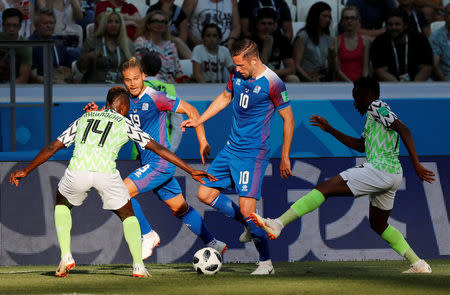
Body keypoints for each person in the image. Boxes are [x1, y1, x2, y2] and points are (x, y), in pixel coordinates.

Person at [9, 86, 216, 277]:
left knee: (62, 202)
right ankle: (138, 265)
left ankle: (66, 256)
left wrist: (26, 170)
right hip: (106, 174)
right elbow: (159, 149)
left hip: (77, 171)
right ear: (123, 110)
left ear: (108, 104)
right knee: (127, 214)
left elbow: (52, 147)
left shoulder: (84, 119)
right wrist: (190, 170)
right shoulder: (125, 122)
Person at [250, 76, 435, 274]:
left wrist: (416, 163)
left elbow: (404, 129)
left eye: (356, 97)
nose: (354, 103)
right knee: (378, 224)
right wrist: (330, 130)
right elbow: (360, 145)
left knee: (324, 188)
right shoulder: (373, 117)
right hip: (392, 174)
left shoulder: (376, 106)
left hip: (380, 170)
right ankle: (419, 264)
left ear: (368, 95)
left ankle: (278, 224)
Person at [84, 57, 227, 261]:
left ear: (144, 76)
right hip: (148, 162)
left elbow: (191, 110)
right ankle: (214, 243)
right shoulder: (124, 99)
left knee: (121, 192)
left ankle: (148, 235)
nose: (132, 83)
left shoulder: (155, 97)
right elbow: (112, 115)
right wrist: (97, 112)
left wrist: (202, 141)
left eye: (136, 78)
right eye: (127, 80)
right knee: (180, 208)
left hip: (159, 163)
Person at [181, 38, 295, 275]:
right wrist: (200, 119)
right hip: (230, 149)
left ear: (254, 60)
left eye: (241, 65)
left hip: (252, 154)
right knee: (205, 192)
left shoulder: (273, 83)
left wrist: (284, 155)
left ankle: (266, 263)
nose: (237, 70)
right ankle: (248, 224)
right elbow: (225, 98)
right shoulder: (236, 75)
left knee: (247, 209)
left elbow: (288, 119)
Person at [371, 8, 433, 81]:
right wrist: (399, 87)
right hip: (389, 85)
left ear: (405, 25)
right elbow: (381, 72)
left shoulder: (420, 39)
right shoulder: (379, 42)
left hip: (416, 84)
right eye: (390, 24)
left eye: (397, 24)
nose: (393, 27)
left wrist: (413, 87)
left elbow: (426, 69)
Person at [75, 9, 135, 83]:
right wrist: (89, 57)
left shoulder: (128, 43)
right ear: (104, 24)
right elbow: (80, 69)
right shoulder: (91, 42)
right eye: (110, 21)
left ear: (121, 25)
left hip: (121, 86)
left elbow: (135, 68)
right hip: (95, 86)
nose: (113, 25)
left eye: (117, 22)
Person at [28, 8, 80, 83]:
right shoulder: (30, 44)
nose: (49, 26)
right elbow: (34, 77)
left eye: (51, 23)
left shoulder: (58, 42)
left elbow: (70, 68)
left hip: (61, 83)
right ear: (36, 26)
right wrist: (55, 82)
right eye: (45, 23)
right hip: (41, 87)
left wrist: (74, 77)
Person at [134, 10, 185, 83]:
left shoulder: (170, 45)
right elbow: (140, 68)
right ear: (148, 24)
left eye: (163, 22)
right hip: (150, 83)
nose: (159, 24)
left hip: (171, 85)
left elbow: (177, 71)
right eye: (156, 21)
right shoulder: (141, 42)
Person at [249, 7, 298, 83]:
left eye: (270, 24)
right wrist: (266, 45)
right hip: (254, 80)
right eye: (263, 23)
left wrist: (272, 73)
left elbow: (291, 69)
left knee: (293, 78)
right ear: (257, 25)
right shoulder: (249, 42)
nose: (267, 27)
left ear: (275, 26)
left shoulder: (282, 39)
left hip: (275, 75)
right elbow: (258, 72)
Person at [293, 1, 334, 82]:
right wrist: (310, 79)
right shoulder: (303, 36)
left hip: (321, 76)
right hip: (304, 76)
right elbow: (296, 64)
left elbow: (330, 67)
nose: (328, 19)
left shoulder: (329, 39)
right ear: (315, 16)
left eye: (329, 17)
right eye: (324, 16)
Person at [335, 6, 370, 82]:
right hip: (341, 84)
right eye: (346, 18)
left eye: (352, 18)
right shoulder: (336, 41)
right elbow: (337, 70)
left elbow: (365, 69)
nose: (349, 21)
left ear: (357, 20)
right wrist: (351, 84)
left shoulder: (365, 40)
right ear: (342, 21)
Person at [0, 8, 31, 83]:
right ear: (3, 25)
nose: (11, 29)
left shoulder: (25, 46)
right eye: (8, 25)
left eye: (15, 25)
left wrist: (3, 88)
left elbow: (23, 79)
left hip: (15, 87)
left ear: (20, 26)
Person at [429, 3, 450, 81]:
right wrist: (445, 83)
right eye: (449, 14)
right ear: (444, 17)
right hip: (446, 79)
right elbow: (435, 65)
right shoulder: (436, 36)